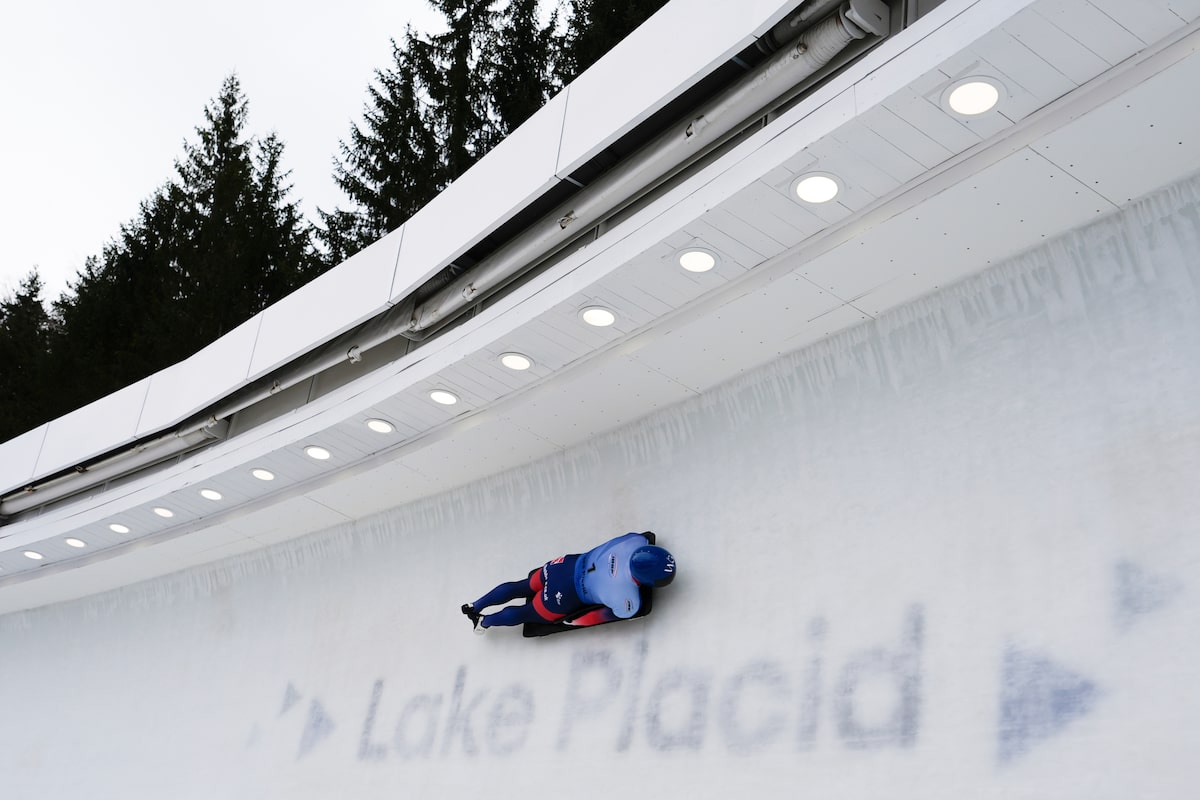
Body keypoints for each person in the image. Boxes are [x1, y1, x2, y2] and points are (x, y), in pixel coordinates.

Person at [461, 532, 676, 634]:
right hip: (564, 595)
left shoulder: (636, 541)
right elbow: (623, 612)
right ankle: (484, 622)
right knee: (524, 613)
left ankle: (475, 605)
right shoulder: (626, 595)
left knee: (521, 586)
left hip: (561, 567)